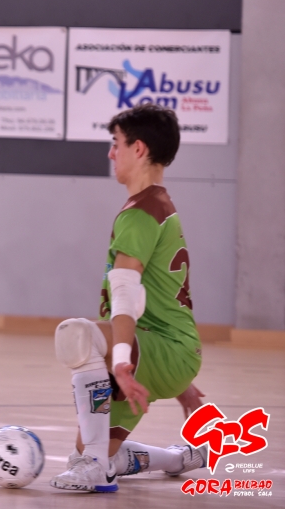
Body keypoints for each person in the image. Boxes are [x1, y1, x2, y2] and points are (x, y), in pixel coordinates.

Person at [49, 104, 207, 492]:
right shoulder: (157, 204)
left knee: (77, 335)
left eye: (115, 143)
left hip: (160, 348)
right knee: (87, 453)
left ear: (138, 149)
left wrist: (120, 363)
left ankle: (95, 467)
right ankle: (180, 458)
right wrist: (180, 382)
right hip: (165, 350)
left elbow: (124, 295)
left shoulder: (141, 213)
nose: (110, 153)